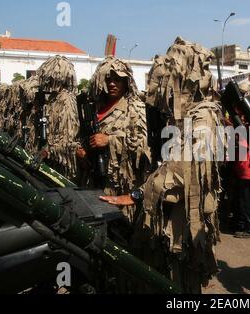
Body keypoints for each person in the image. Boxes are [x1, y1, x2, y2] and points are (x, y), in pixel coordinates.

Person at [101, 37, 225, 293]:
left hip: (183, 228)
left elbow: (183, 174)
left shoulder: (203, 116)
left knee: (180, 284)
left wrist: (136, 194)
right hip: (164, 221)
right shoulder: (177, 117)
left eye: (170, 77)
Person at [78, 57, 150, 222]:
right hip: (93, 181)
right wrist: (80, 150)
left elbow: (143, 146)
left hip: (120, 186)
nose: (112, 84)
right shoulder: (93, 108)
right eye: (108, 79)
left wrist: (110, 140)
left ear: (126, 82)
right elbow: (80, 135)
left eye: (118, 79)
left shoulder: (135, 108)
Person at [35, 56, 81, 182]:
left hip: (63, 163)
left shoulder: (66, 100)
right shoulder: (53, 99)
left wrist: (48, 151)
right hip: (54, 159)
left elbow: (67, 139)